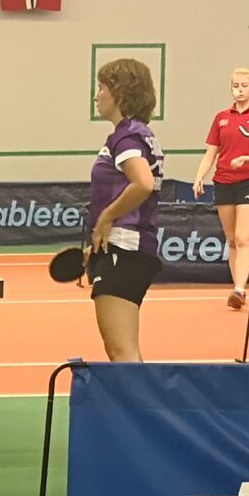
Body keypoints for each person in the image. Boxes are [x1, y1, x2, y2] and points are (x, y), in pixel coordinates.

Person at [82, 57, 165, 363]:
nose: (97, 96)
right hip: (125, 248)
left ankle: (139, 398)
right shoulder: (135, 133)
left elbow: (142, 183)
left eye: (102, 87)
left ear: (120, 92)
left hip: (125, 249)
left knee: (122, 352)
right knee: (122, 351)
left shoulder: (127, 136)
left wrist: (106, 219)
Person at [191, 68, 249, 311]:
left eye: (244, 86)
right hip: (223, 181)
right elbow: (211, 153)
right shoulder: (221, 118)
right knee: (231, 240)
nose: (239, 90)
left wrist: (246, 159)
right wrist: (199, 177)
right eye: (235, 86)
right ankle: (237, 289)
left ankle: (239, 289)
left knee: (242, 238)